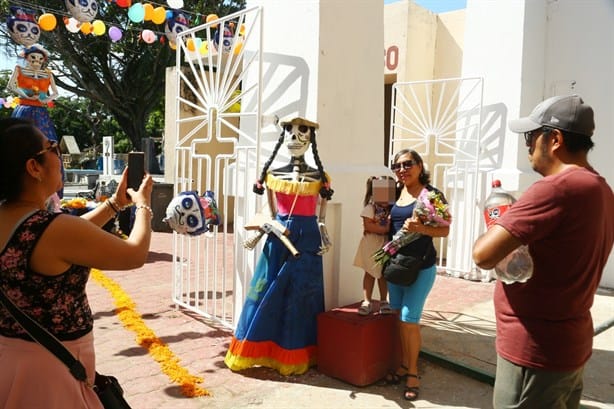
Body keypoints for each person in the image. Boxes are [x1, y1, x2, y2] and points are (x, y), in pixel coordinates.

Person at [0, 118, 154, 409]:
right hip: (52, 376)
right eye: (52, 148)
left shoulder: (19, 220)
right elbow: (134, 253)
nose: (59, 156)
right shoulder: (52, 229)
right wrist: (144, 204)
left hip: (10, 361)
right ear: (34, 167)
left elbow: (62, 235)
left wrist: (115, 204)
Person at [472, 95, 614, 409]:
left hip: (533, 351)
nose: (527, 146)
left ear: (555, 139)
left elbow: (483, 255)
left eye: (531, 137)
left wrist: (502, 219)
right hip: (569, 346)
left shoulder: (554, 189)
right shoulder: (601, 190)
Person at [224, 117, 334, 376]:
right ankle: (261, 349)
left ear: (311, 137)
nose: (295, 138)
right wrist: (267, 226)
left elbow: (321, 217)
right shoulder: (273, 175)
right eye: (289, 132)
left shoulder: (320, 177)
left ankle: (297, 352)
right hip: (279, 236)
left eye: (301, 132)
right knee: (267, 290)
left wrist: (325, 236)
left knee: (303, 296)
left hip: (308, 238)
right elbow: (272, 213)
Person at [384, 148, 450, 401]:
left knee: (410, 322)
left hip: (420, 267)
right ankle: (403, 364)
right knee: (400, 319)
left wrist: (421, 227)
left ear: (420, 166)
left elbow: (444, 231)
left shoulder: (432, 195)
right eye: (397, 166)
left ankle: (412, 372)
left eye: (408, 164)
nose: (402, 169)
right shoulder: (394, 193)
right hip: (396, 267)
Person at [7, 43, 64, 198]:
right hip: (24, 108)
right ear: (27, 58)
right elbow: (11, 85)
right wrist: (26, 95)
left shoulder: (48, 74)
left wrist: (45, 99)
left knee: (46, 144)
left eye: (40, 59)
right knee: (20, 144)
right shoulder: (20, 70)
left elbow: (55, 93)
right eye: (33, 58)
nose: (36, 61)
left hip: (41, 112)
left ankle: (53, 192)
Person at [353, 176, 393, 315]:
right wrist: (385, 229)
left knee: (383, 274)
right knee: (369, 273)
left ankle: (383, 300)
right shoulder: (370, 208)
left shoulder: (392, 210)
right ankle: (367, 300)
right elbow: (368, 226)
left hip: (385, 244)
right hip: (371, 244)